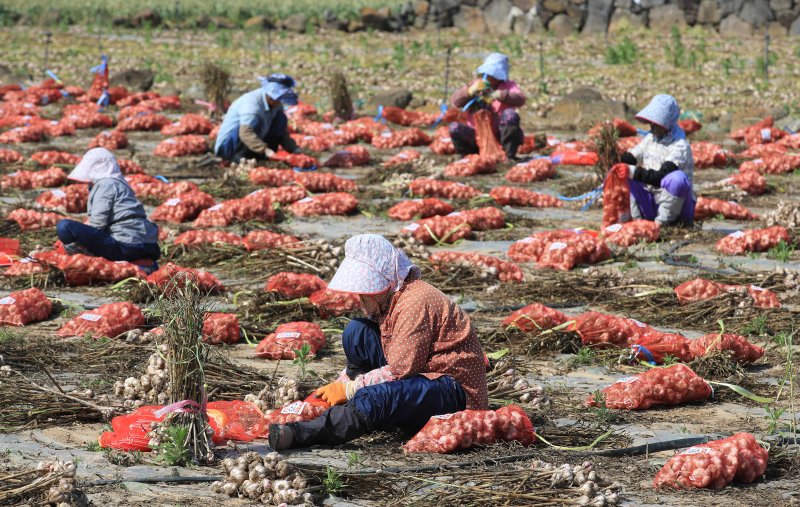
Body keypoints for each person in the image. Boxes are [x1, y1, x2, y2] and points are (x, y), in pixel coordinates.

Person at [268, 234, 488, 450]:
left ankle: (304, 433)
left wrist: (351, 389)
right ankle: (353, 403)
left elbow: (400, 370)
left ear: (384, 282)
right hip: (422, 370)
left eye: (365, 292)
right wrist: (340, 383)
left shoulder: (414, 303)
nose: (361, 299)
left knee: (377, 398)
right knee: (358, 332)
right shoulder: (393, 297)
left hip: (451, 390)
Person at [56, 148, 160, 269]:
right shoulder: (121, 185)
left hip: (125, 246)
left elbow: (97, 224)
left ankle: (88, 264)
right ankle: (141, 263)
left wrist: (76, 240)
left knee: (65, 227)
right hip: (148, 246)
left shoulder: (106, 184)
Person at [620, 94, 695, 226]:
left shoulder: (680, 145)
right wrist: (615, 159)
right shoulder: (651, 137)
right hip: (652, 202)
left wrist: (634, 172)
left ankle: (663, 223)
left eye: (656, 123)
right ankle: (636, 221)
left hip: (677, 209)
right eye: (651, 122)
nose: (651, 126)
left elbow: (660, 177)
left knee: (677, 179)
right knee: (623, 172)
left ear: (666, 123)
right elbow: (633, 156)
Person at [449, 52, 526, 159]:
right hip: (477, 135)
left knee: (510, 115)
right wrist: (470, 92)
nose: (492, 76)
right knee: (454, 127)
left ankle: (509, 156)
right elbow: (455, 101)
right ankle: (468, 156)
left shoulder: (508, 86)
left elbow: (521, 99)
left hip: (499, 134)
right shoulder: (477, 84)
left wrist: (500, 94)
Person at [213, 80, 301, 163]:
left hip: (252, 143)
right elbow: (245, 133)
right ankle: (239, 158)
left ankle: (263, 157)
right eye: (278, 99)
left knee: (280, 118)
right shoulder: (252, 106)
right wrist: (264, 149)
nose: (280, 102)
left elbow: (281, 132)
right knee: (255, 122)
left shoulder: (275, 105)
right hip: (229, 146)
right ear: (270, 97)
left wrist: (293, 148)